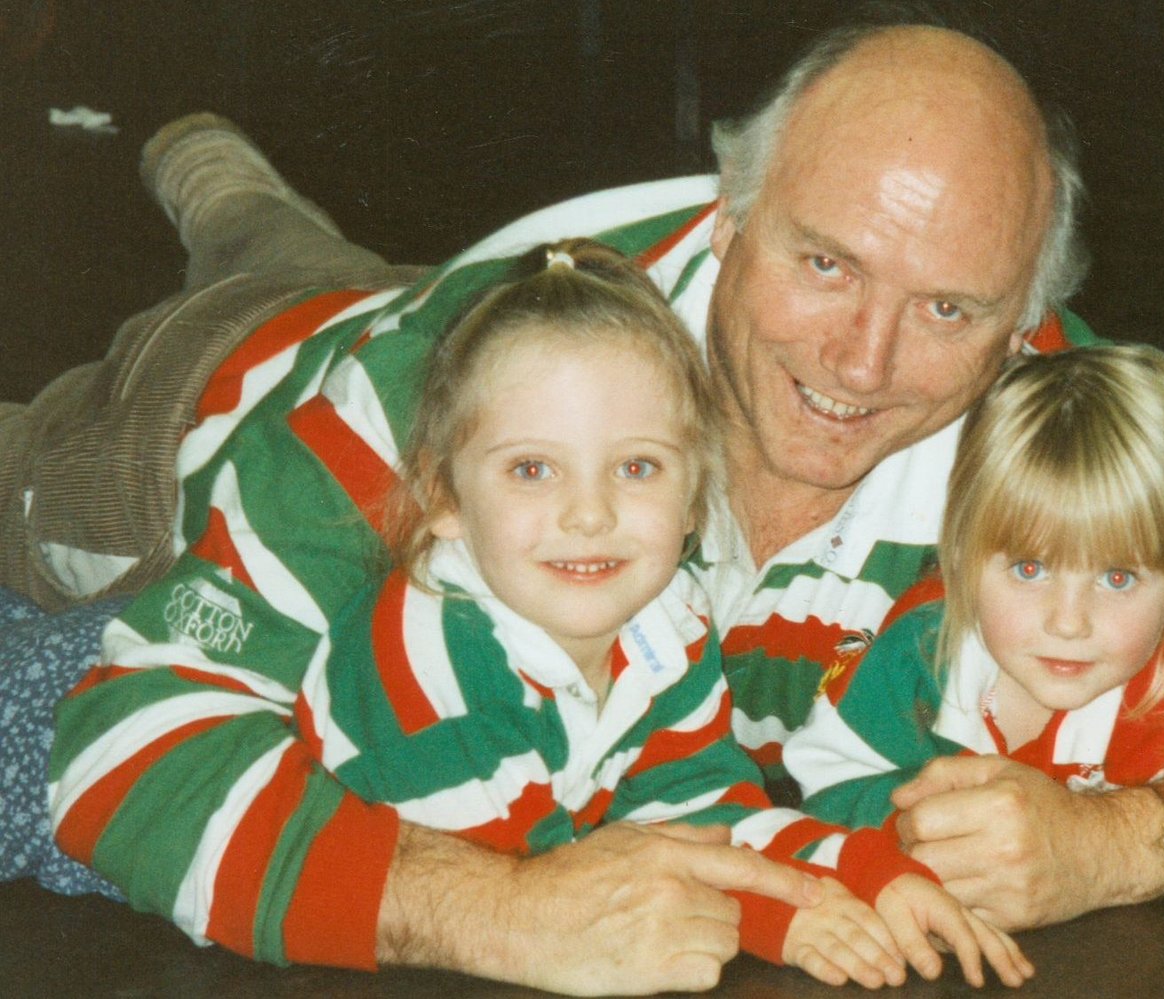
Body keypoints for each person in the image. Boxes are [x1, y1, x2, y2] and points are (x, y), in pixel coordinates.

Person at [13, 8, 1164, 992]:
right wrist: (497, 907)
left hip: (436, 279)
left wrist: (1132, 840)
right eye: (823, 264)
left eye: (950, 305)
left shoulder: (1063, 424)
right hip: (200, 410)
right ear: (729, 207)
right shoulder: (429, 396)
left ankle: (208, 161)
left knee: (276, 229)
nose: (861, 361)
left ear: (1032, 314)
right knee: (215, 329)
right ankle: (197, 174)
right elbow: (125, 752)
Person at [304, 235, 1029, 989]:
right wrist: (777, 914)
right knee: (292, 270)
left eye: (637, 466)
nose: (589, 513)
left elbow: (698, 809)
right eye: (531, 468)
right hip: (261, 340)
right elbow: (554, 908)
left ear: (692, 500)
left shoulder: (667, 619)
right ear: (444, 497)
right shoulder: (429, 660)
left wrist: (870, 875)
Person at [784, 345, 1164, 878]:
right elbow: (825, 788)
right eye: (1030, 569)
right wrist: (916, 827)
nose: (1068, 622)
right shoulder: (915, 655)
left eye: (1117, 577)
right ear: (962, 554)